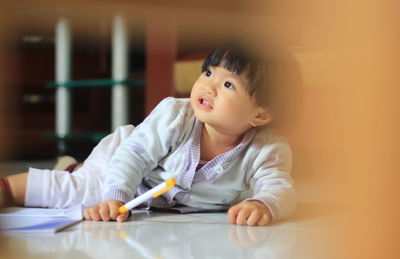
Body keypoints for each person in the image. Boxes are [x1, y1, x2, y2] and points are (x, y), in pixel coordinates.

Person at [0, 39, 302, 226]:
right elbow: (133, 156)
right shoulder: (175, 115)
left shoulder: (267, 149)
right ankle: (10, 187)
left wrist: (262, 204)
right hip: (124, 159)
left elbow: (280, 189)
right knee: (85, 191)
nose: (208, 86)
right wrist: (115, 195)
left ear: (260, 114)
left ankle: (75, 165)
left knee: (88, 183)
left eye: (228, 85)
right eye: (209, 73)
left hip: (150, 193)